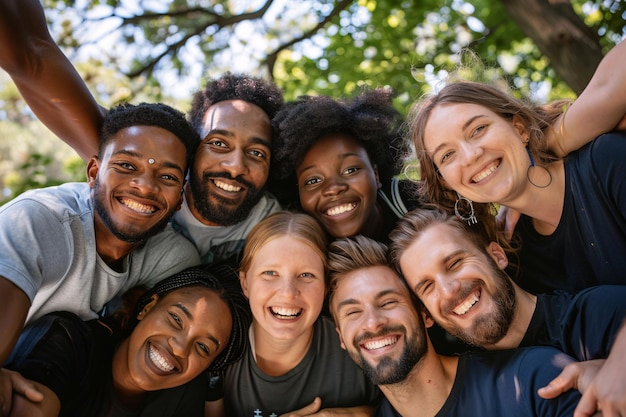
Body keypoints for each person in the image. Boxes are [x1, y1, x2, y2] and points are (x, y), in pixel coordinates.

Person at [0, 0, 285, 266]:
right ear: (192, 148)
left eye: (257, 152)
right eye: (219, 143)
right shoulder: (134, 168)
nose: (236, 166)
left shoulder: (278, 216)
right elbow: (30, 57)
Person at [0, 102, 202, 411]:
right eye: (127, 166)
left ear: (180, 200)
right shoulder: (39, 220)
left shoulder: (174, 258)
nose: (145, 186)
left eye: (167, 177)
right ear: (94, 172)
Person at [408, 40, 626, 294]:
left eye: (478, 129)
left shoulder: (605, 161)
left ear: (519, 129)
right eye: (447, 155)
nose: (470, 156)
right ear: (446, 181)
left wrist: (551, 140)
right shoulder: (516, 262)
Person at [388, 207, 626, 416]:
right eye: (428, 286)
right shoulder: (470, 390)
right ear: (426, 315)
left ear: (497, 255)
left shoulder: (604, 314)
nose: (449, 290)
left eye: (455, 263)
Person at [327, 235, 586, 417]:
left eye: (388, 302)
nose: (372, 322)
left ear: (425, 314)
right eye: (353, 312)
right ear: (341, 337)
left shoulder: (532, 378)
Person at [3, 264, 250, 417]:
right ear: (147, 307)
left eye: (203, 347)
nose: (180, 347)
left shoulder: (185, 395)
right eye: (175, 319)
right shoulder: (66, 340)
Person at [205, 211, 380, 416]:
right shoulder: (220, 349)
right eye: (270, 273)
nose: (288, 293)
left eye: (306, 275)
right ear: (245, 283)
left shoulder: (357, 345)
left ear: (325, 287)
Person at [271, 89, 420, 243]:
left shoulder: (415, 201)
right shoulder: (301, 244)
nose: (334, 188)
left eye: (350, 170)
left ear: (375, 174)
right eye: (313, 181)